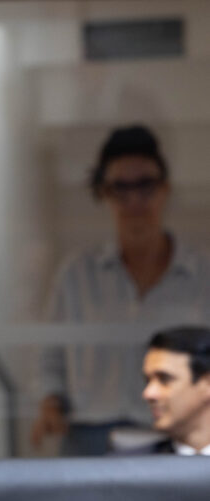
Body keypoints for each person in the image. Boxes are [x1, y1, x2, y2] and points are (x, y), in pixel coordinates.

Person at [33, 125, 210, 455]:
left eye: (145, 186)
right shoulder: (77, 275)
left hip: (176, 434)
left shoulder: (201, 273)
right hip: (90, 435)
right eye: (121, 189)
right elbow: (50, 356)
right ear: (105, 194)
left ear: (165, 189)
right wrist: (50, 404)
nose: (134, 202)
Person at [138, 326, 210, 455]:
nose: (148, 393)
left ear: (207, 383)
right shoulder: (126, 464)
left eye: (164, 379)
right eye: (148, 381)